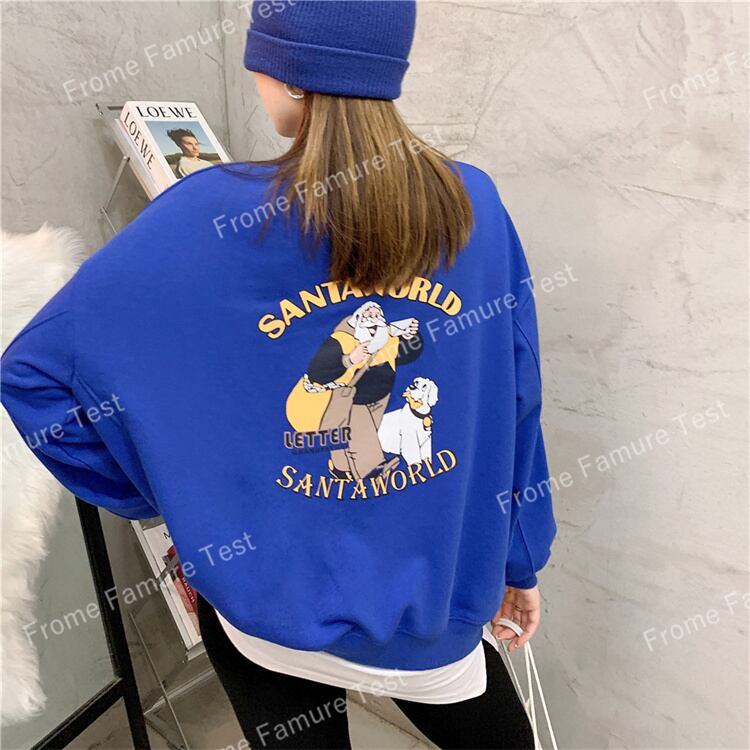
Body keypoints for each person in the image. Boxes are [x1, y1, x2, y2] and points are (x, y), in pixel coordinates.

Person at [1, 2, 557, 748]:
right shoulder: (472, 205)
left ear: (286, 75)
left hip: (264, 613)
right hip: (436, 611)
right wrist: (519, 557)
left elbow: (35, 375)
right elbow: (518, 397)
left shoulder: (203, 215)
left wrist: (178, 509)